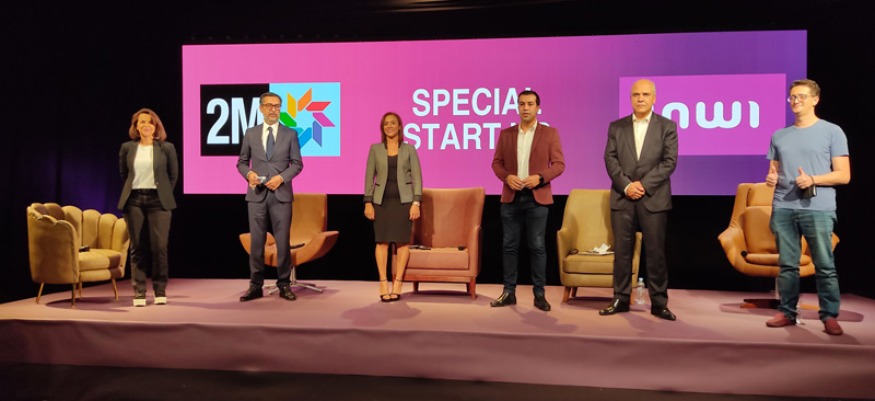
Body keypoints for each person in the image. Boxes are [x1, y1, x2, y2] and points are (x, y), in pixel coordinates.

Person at [764, 79, 850, 335]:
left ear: (815, 99)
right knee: (787, 265)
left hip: (818, 208)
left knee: (824, 265)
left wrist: (813, 179)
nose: (796, 100)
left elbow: (844, 175)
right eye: (792, 96)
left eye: (801, 96)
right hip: (783, 206)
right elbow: (774, 172)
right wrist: (771, 178)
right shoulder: (779, 135)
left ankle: (829, 316)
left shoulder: (832, 131)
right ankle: (787, 312)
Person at [601, 79, 678, 321]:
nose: (641, 98)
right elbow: (610, 159)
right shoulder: (616, 127)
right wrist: (627, 185)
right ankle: (620, 298)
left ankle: (659, 303)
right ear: (631, 98)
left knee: (655, 253)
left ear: (654, 98)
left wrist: (643, 185)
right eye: (636, 94)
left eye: (645, 94)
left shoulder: (667, 126)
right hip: (623, 197)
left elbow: (669, 162)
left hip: (654, 198)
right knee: (622, 253)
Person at [490, 90, 565, 312]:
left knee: (537, 246)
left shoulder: (550, 133)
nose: (525, 108)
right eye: (522, 104)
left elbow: (559, 165)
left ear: (538, 107)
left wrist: (540, 177)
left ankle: (539, 294)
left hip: (537, 197)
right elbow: (496, 163)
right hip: (511, 197)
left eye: (530, 104)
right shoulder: (506, 134)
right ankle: (508, 292)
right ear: (517, 107)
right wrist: (507, 177)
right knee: (509, 246)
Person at [237, 92, 304, 302]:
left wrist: (281, 178)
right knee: (257, 243)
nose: (273, 109)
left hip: (281, 195)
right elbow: (241, 162)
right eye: (269, 105)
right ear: (261, 108)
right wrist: (249, 174)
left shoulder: (290, 134)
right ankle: (255, 286)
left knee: (282, 242)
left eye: (277, 106)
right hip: (256, 196)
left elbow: (297, 164)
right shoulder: (251, 133)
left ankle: (284, 284)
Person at [118, 108, 178, 307]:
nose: (146, 125)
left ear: (155, 126)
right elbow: (124, 174)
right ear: (136, 127)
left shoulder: (166, 148)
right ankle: (139, 292)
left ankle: (160, 290)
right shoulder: (127, 148)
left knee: (159, 247)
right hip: (134, 200)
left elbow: (173, 176)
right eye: (141, 122)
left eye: (150, 122)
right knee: (137, 247)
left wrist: (162, 193)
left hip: (158, 201)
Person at [364, 112, 423, 302]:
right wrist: (368, 202)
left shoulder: (409, 149)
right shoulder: (375, 149)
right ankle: (383, 283)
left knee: (402, 243)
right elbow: (369, 178)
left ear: (399, 127)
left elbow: (417, 178)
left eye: (393, 123)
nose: (389, 126)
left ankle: (398, 283)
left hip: (404, 202)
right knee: (381, 242)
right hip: (381, 202)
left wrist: (416, 203)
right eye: (386, 123)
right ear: (382, 127)